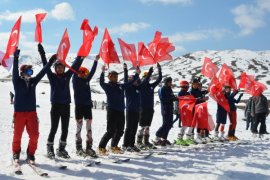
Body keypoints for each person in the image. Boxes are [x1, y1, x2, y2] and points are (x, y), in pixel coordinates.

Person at [38, 43, 84, 159]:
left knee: (65, 129)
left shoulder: (67, 76)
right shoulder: (52, 77)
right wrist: (42, 54)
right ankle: (50, 148)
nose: (59, 68)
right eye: (57, 67)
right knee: (54, 128)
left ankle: (61, 149)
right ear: (55, 69)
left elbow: (75, 65)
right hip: (56, 106)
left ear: (64, 68)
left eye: (61, 67)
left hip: (66, 107)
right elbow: (45, 66)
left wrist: (81, 56)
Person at [12, 47, 56, 164]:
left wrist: (50, 62)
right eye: (28, 72)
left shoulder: (33, 82)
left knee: (35, 135)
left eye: (31, 72)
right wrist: (16, 58)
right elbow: (14, 72)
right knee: (17, 135)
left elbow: (43, 72)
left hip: (31, 113)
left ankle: (30, 154)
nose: (30, 74)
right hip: (19, 113)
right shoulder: (17, 81)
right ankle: (16, 152)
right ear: (22, 73)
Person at [98, 65, 140, 155]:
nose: (115, 78)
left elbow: (131, 82)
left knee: (120, 131)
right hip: (112, 110)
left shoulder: (121, 86)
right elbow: (101, 82)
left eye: (116, 77)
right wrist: (102, 72)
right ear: (109, 77)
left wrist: (137, 73)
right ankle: (101, 147)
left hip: (121, 111)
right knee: (110, 131)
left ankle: (113, 146)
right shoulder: (107, 86)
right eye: (113, 76)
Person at [72, 54, 99, 157]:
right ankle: (78, 147)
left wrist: (96, 61)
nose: (85, 74)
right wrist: (81, 59)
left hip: (88, 107)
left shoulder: (87, 80)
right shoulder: (75, 80)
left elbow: (92, 72)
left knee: (89, 127)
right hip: (79, 106)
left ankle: (89, 147)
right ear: (79, 73)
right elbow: (74, 70)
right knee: (79, 127)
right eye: (83, 72)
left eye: (86, 73)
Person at [122, 63, 152, 152]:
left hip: (137, 111)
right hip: (130, 110)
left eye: (136, 80)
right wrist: (125, 70)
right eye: (133, 80)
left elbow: (145, 81)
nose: (135, 81)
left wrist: (149, 73)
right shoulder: (128, 89)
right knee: (128, 128)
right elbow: (126, 80)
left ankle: (131, 145)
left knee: (134, 128)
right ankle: (125, 145)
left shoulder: (139, 88)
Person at [136, 63, 162, 149]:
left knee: (147, 126)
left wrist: (159, 69)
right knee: (142, 126)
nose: (148, 78)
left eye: (149, 77)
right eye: (146, 77)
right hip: (142, 108)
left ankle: (146, 141)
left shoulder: (151, 86)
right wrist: (149, 72)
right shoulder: (141, 86)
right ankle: (139, 142)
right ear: (143, 78)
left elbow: (159, 79)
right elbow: (145, 80)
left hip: (150, 108)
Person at [153, 77, 178, 146]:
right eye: (169, 82)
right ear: (166, 82)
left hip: (170, 109)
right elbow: (163, 99)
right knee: (166, 124)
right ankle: (157, 136)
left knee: (170, 125)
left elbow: (171, 97)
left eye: (171, 82)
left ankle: (164, 138)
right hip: (165, 109)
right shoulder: (162, 89)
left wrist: (175, 98)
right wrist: (172, 98)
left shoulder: (169, 89)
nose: (170, 83)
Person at [175, 80, 192, 146]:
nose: (186, 88)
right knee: (184, 124)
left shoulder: (187, 93)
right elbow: (178, 102)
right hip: (182, 111)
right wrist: (178, 111)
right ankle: (179, 138)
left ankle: (185, 138)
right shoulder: (180, 93)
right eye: (185, 87)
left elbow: (191, 99)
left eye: (187, 87)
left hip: (187, 110)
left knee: (188, 124)